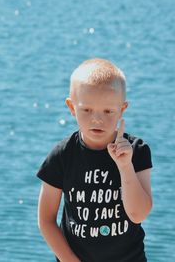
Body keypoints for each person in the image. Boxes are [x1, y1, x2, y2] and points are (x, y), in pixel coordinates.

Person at [36, 58, 153, 262]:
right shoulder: (62, 155)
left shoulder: (137, 151)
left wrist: (125, 166)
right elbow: (46, 220)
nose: (97, 119)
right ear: (72, 107)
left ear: (122, 109)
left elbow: (138, 215)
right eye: (87, 110)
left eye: (108, 111)